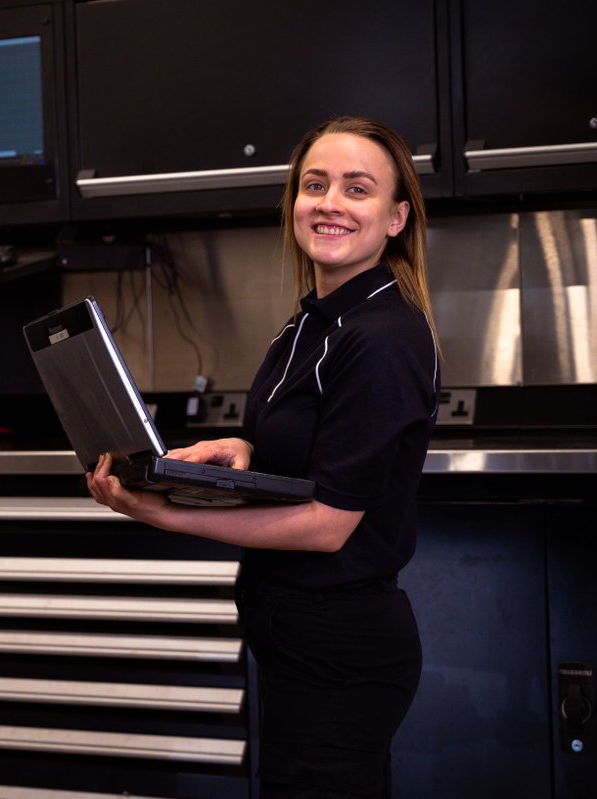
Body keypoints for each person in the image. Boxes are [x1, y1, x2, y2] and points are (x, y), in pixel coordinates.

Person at [86, 116, 441, 799]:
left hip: (342, 650)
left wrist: (169, 515)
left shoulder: (385, 335)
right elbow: (307, 445)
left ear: (397, 218)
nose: (330, 202)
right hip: (297, 641)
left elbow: (328, 522)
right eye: (315, 184)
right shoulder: (310, 320)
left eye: (357, 189)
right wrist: (244, 446)